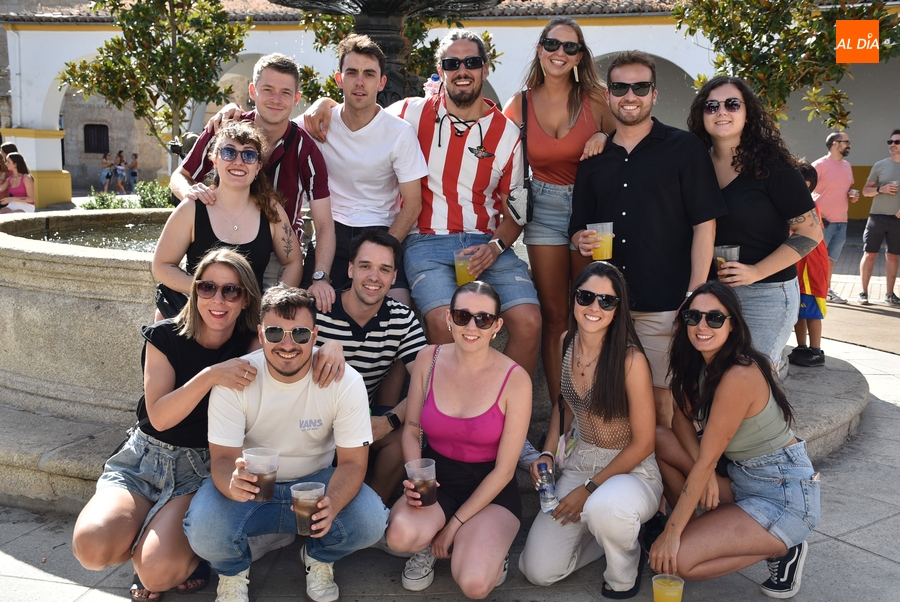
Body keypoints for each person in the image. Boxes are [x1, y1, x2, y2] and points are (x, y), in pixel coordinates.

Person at [307, 29, 541, 375]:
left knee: (530, 320)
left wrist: (495, 246)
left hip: (486, 243)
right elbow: (362, 110)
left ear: (485, 69)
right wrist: (323, 104)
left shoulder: (506, 133)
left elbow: (518, 211)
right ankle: (449, 413)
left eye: (472, 62)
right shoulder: (410, 114)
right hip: (426, 240)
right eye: (452, 63)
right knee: (441, 319)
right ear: (441, 70)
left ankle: (508, 413)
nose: (462, 70)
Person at [72, 249, 263, 601]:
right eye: (207, 288)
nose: (217, 300)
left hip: (201, 468)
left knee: (157, 573)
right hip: (144, 459)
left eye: (230, 291)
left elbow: (295, 347)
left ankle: (175, 556)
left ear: (245, 298)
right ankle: (147, 539)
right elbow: (159, 417)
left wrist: (331, 351)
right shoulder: (163, 336)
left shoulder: (250, 343)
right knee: (91, 547)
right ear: (195, 292)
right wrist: (210, 376)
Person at [183, 285, 388, 602]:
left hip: (315, 483)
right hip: (253, 484)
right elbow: (222, 459)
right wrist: (231, 481)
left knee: (372, 520)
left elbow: (353, 464)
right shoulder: (237, 378)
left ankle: (318, 556)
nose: (288, 344)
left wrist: (332, 503)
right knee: (203, 528)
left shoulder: (346, 381)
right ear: (261, 334)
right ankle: (233, 570)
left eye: (301, 334)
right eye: (276, 333)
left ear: (316, 334)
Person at [569, 50, 726, 426]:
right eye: (620, 87)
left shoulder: (685, 148)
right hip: (605, 308)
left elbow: (706, 226)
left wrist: (694, 297)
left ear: (654, 94)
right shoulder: (593, 157)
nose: (630, 95)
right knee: (605, 404)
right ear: (609, 95)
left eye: (640, 87)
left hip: (665, 303)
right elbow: (576, 227)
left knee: (662, 408)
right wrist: (581, 240)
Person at [650, 281, 820, 599]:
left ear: (732, 325)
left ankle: (783, 549)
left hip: (781, 494)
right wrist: (709, 474)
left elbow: (707, 459)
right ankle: (703, 528)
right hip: (742, 479)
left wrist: (671, 533)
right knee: (661, 439)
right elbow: (680, 420)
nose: (702, 326)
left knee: (676, 563)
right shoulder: (699, 364)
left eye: (714, 318)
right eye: (694, 317)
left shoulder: (739, 375)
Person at [518, 262, 661, 599]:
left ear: (617, 309)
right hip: (580, 462)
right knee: (537, 570)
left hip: (632, 470)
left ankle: (623, 569)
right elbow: (563, 408)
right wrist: (548, 453)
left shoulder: (630, 361)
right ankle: (609, 535)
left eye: (606, 301)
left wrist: (589, 490)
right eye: (586, 297)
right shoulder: (567, 342)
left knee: (604, 508)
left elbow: (643, 443)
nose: (594, 307)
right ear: (574, 300)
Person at [384, 281, 531, 599]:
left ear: (497, 326)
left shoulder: (516, 379)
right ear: (449, 318)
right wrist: (417, 474)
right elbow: (411, 430)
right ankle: (434, 537)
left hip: (491, 489)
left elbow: (505, 471)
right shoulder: (428, 358)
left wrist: (452, 526)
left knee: (475, 585)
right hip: (437, 480)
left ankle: (471, 538)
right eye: (463, 316)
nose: (472, 326)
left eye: (484, 318)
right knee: (399, 537)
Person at [501, 17, 616, 414]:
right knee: (554, 317)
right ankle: (562, 410)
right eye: (553, 44)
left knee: (593, 309)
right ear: (540, 49)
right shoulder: (521, 102)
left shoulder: (598, 98)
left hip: (592, 211)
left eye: (570, 47)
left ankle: (595, 404)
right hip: (544, 209)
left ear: (580, 56)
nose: (560, 54)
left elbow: (635, 138)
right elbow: (491, 149)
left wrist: (606, 136)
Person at [170, 53, 337, 313]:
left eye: (285, 93)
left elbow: (324, 224)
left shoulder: (307, 150)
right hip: (217, 241)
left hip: (277, 252)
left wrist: (320, 276)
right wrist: (193, 196)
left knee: (270, 321)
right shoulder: (226, 129)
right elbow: (180, 176)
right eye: (267, 90)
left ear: (296, 98)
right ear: (252, 91)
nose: (275, 99)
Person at [687, 76, 822, 368]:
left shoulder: (774, 166)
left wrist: (756, 271)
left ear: (748, 113)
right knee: (711, 375)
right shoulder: (694, 165)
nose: (721, 111)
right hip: (711, 291)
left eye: (732, 104)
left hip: (766, 294)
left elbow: (810, 233)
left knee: (752, 377)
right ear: (701, 115)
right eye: (711, 106)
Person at [296, 34, 427, 306]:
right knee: (306, 309)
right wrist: (229, 114)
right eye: (351, 72)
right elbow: (269, 128)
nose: (359, 82)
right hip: (330, 232)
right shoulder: (319, 122)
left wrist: (383, 250)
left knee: (398, 306)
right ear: (338, 79)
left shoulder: (399, 133)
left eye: (369, 74)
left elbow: (413, 205)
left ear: (381, 82)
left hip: (381, 231)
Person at [315, 229, 427, 504]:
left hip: (360, 419)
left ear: (393, 276)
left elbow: (430, 382)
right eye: (365, 266)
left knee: (408, 435)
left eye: (384, 269)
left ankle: (372, 507)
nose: (374, 277)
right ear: (351, 269)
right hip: (308, 418)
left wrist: (388, 422)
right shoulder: (316, 308)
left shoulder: (402, 319)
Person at [152, 121, 303, 318]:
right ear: (214, 160)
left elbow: (293, 260)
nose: (239, 161)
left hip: (249, 322)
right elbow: (161, 266)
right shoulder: (192, 208)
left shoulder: (271, 211)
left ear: (258, 166)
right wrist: (209, 292)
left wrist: (274, 303)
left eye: (248, 155)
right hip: (201, 318)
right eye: (229, 153)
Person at [790, 161, 830, 367]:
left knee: (812, 310)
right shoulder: (796, 201)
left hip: (810, 267)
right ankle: (801, 346)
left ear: (805, 184)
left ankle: (816, 350)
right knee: (798, 310)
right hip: (798, 263)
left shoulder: (808, 204)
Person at [812, 132, 857, 304]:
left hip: (842, 222)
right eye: (847, 142)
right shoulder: (819, 165)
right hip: (823, 223)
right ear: (835, 144)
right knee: (817, 259)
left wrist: (852, 196)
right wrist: (818, 215)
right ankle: (814, 292)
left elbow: (845, 191)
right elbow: (804, 192)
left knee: (831, 259)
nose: (849, 145)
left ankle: (826, 290)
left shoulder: (847, 166)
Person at [859, 129, 900, 306]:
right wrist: (880, 190)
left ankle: (890, 294)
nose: (892, 145)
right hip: (877, 217)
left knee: (893, 256)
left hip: (897, 220)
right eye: (890, 142)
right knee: (870, 254)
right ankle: (863, 293)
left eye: (897, 142)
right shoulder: (880, 165)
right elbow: (865, 191)